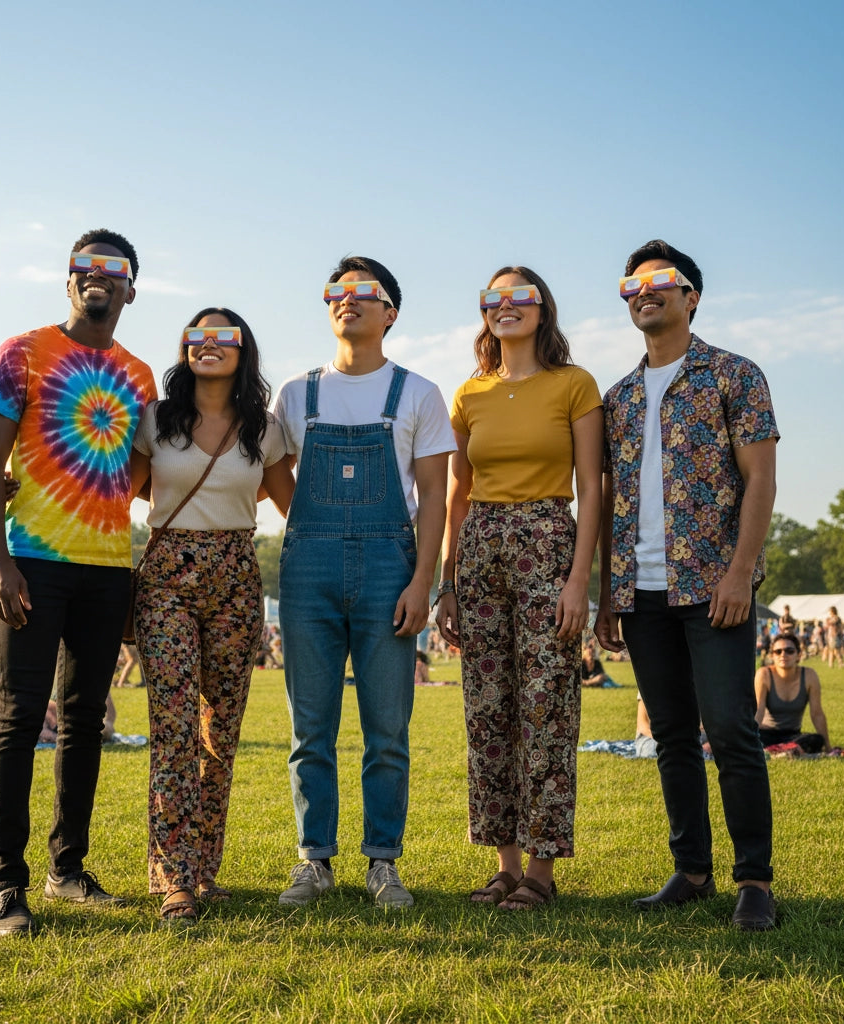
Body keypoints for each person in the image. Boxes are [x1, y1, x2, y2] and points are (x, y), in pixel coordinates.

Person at [0, 229, 157, 937]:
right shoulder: (21, 352)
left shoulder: (139, 374)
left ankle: (67, 868)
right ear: (69, 279)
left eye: (113, 268)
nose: (97, 275)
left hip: (107, 569)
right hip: (31, 564)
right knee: (19, 717)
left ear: (131, 289)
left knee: (84, 721)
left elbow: (144, 465)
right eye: (85, 265)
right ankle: (7, 885)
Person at [596, 240, 779, 931]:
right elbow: (608, 500)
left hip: (713, 585)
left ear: (691, 296)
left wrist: (740, 572)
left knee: (730, 729)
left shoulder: (734, 375)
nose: (644, 292)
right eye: (631, 286)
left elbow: (760, 479)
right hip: (640, 592)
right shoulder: (617, 398)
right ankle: (692, 871)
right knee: (671, 734)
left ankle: (754, 881)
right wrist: (609, 592)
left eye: (661, 282)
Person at [272, 257, 453, 908]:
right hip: (308, 571)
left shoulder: (418, 393)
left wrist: (422, 581)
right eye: (336, 292)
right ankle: (314, 861)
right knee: (309, 729)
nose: (347, 300)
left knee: (387, 730)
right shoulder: (296, 394)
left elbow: (434, 498)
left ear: (390, 312)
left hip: (389, 571)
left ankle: (383, 862)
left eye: (363, 292)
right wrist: (309, 526)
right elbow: (273, 472)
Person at [435, 266, 602, 910]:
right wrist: (448, 582)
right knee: (488, 710)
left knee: (546, 706)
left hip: (548, 542)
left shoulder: (574, 385)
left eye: (519, 297)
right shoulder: (469, 393)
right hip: (480, 549)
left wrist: (579, 579)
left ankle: (541, 870)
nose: (505, 307)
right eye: (494, 299)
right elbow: (457, 491)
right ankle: (504, 865)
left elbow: (592, 485)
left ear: (542, 308)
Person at [131, 307, 294, 922]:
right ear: (184, 348)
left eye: (224, 335)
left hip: (237, 575)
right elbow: (122, 488)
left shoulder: (265, 428)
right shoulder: (156, 419)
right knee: (174, 725)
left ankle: (203, 868)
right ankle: (174, 877)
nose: (209, 343)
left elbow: (294, 506)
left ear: (243, 349)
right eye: (198, 335)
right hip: (167, 576)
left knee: (219, 733)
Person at [756, 633, 832, 752]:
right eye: (778, 652)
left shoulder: (809, 676)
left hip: (792, 735)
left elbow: (817, 714)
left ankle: (777, 750)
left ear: (799, 655)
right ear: (772, 656)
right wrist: (750, 737)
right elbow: (758, 710)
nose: (783, 655)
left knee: (816, 740)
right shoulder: (764, 674)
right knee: (752, 739)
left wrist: (828, 747)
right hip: (766, 733)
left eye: (789, 651)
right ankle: (785, 750)